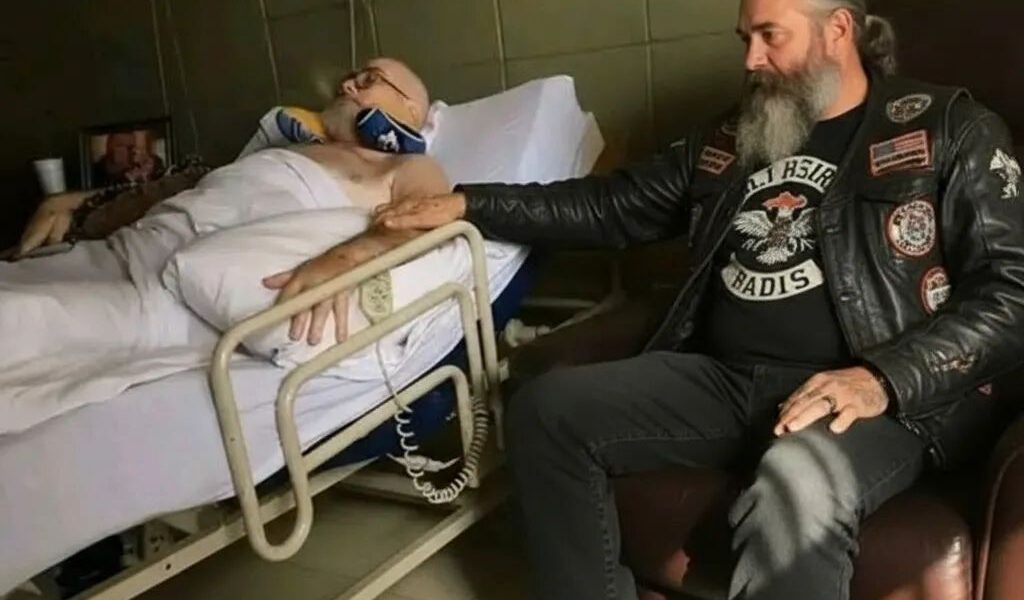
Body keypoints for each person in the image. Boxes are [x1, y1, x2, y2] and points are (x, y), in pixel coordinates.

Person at [283, 0, 1024, 598]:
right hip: (724, 378)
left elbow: (1012, 291)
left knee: (797, 485)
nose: (750, 59)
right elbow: (610, 206)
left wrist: (880, 379)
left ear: (837, 30)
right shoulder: (735, 137)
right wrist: (469, 203)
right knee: (546, 409)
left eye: (769, 35)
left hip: (872, 393)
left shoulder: (946, 127)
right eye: (745, 38)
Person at [6, 58, 449, 365]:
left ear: (410, 109)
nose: (347, 85)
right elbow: (178, 188)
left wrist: (345, 260)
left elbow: (426, 217)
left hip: (168, 293)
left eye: (368, 79)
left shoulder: (406, 165)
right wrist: (82, 202)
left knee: (19, 317)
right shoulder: (286, 149)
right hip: (119, 252)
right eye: (350, 78)